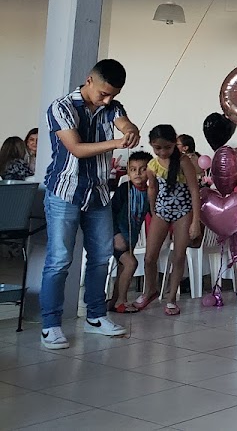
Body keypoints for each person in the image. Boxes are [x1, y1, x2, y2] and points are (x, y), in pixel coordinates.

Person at [40, 59, 139, 350]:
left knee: (101, 257)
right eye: (104, 94)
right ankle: (50, 325)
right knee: (59, 260)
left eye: (113, 95)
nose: (107, 100)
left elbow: (124, 123)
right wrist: (117, 143)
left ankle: (95, 317)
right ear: (89, 80)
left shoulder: (112, 107)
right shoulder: (61, 107)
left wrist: (131, 131)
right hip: (64, 193)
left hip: (98, 194)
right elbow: (76, 148)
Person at [133, 125, 202, 316]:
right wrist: (153, 210)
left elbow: (194, 190)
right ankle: (150, 290)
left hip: (183, 211)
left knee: (178, 256)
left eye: (167, 147)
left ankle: (171, 298)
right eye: (157, 148)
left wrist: (196, 221)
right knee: (149, 257)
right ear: (151, 145)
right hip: (161, 211)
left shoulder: (184, 162)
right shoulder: (153, 165)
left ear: (174, 144)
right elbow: (152, 188)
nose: (162, 152)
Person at [110, 151, 151, 313]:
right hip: (116, 237)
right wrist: (116, 235)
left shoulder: (150, 192)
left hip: (130, 239)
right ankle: (121, 301)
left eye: (143, 169)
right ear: (128, 171)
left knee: (123, 269)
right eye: (133, 169)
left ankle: (114, 302)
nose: (137, 173)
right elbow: (111, 213)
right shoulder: (124, 189)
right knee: (131, 263)